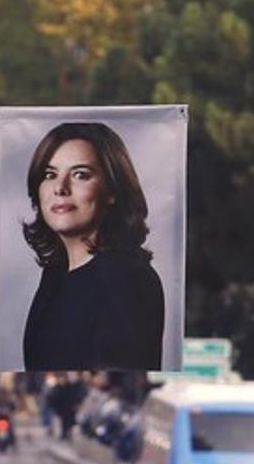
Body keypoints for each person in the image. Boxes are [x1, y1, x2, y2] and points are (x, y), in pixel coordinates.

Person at [20, 122, 164, 371]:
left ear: (112, 191)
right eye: (49, 174)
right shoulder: (56, 274)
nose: (60, 188)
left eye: (81, 175)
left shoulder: (128, 279)